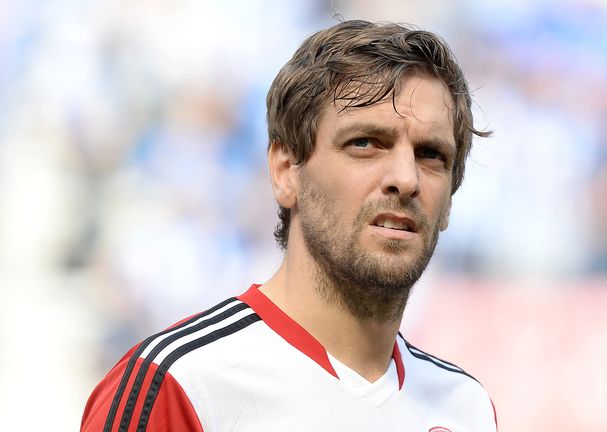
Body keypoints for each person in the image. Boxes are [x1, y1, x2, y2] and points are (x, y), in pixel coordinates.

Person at [81, 19, 496, 431]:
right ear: (286, 171)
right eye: (365, 143)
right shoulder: (180, 387)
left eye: (431, 154)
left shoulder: (465, 408)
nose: (406, 179)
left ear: (449, 203)